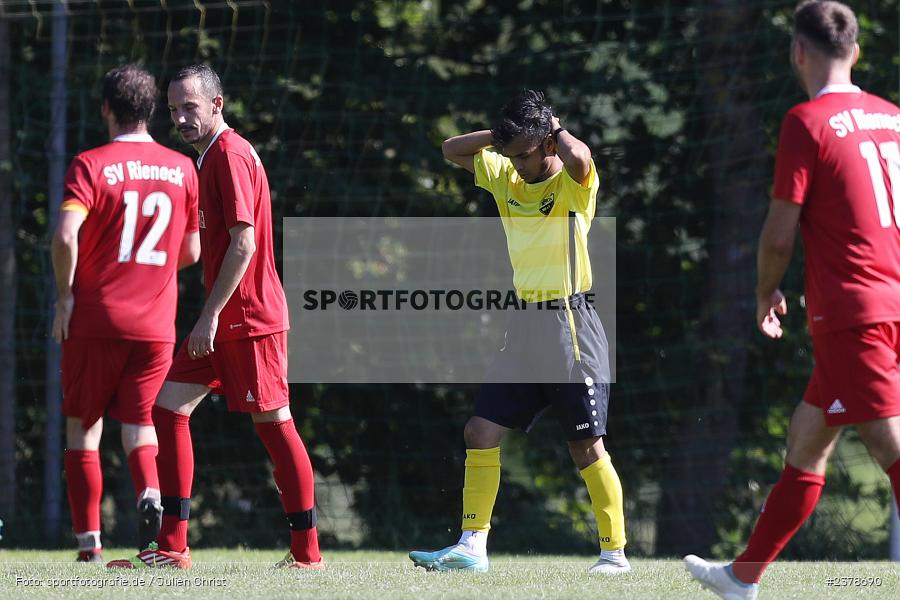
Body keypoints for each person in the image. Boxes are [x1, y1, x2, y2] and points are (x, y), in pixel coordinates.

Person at [685, 2, 900, 598]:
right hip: (892, 300)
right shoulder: (892, 117)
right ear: (855, 51)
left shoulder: (806, 123)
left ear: (797, 52)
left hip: (855, 311)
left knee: (890, 445)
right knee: (809, 437)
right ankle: (742, 578)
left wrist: (763, 291)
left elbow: (780, 233)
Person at [107, 64, 322, 570]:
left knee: (275, 425)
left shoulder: (227, 154)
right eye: (174, 108)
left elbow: (244, 243)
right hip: (224, 320)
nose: (181, 117)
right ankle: (172, 547)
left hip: (248, 319)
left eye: (191, 107)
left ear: (217, 105)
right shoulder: (207, 158)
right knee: (166, 409)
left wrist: (208, 317)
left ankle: (307, 555)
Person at [408, 90, 630, 574]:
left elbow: (582, 155)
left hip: (571, 327)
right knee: (480, 430)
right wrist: (506, 135)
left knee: (585, 446)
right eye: (511, 154)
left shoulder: (574, 183)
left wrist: (551, 128)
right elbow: (451, 149)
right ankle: (472, 547)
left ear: (548, 143)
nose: (518, 163)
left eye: (526, 153)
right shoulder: (507, 172)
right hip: (525, 325)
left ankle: (614, 553)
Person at [51, 64, 200, 562]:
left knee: (83, 425)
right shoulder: (182, 169)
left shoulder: (90, 164)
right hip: (156, 324)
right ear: (152, 111)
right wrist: (148, 270)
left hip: (95, 319)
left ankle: (89, 543)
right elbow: (192, 251)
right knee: (141, 423)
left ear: (107, 110)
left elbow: (66, 235)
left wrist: (65, 296)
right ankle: (151, 493)